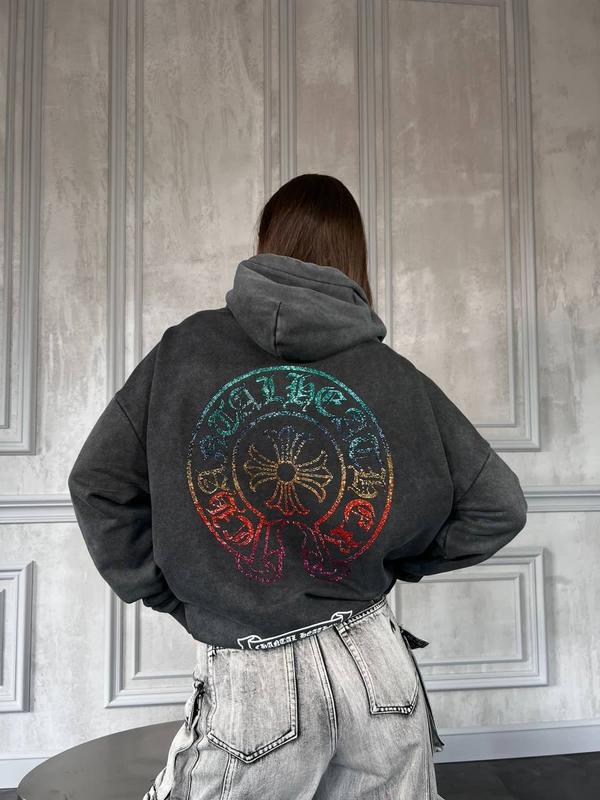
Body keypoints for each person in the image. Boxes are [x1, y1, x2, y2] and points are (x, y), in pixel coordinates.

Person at [68, 173, 528, 799]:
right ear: (356, 257)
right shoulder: (395, 377)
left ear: (266, 240)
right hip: (375, 664)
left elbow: (98, 483)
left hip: (251, 670)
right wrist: (389, 559)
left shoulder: (185, 351)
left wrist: (173, 593)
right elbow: (499, 505)